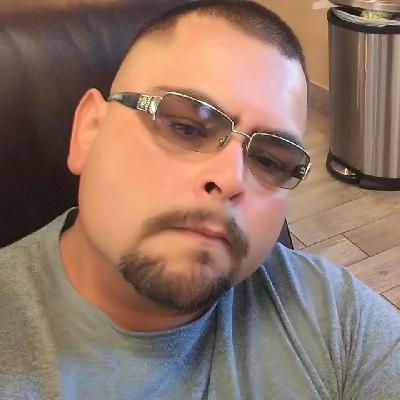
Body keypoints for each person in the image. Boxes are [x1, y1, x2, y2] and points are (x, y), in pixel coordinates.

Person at [0, 0, 399, 398]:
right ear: (89, 131)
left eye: (269, 160)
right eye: (185, 127)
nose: (230, 178)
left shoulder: (338, 319)